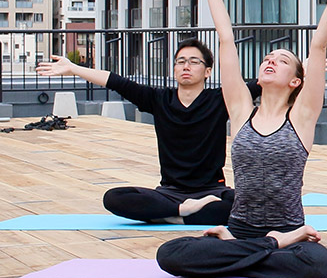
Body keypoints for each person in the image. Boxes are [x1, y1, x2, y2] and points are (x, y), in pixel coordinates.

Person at [155, 0, 327, 278]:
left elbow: (318, 44)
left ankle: (241, 255)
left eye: (282, 61)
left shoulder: (302, 117)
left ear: (296, 81)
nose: (270, 60)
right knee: (169, 254)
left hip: (288, 230)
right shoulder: (240, 111)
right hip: (245, 230)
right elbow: (226, 40)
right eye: (268, 58)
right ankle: (267, 249)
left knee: (318, 264)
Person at [36, 39, 261, 225]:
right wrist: (73, 68)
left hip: (212, 193)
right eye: (180, 62)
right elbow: (117, 82)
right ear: (174, 68)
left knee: (252, 204)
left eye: (194, 62)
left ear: (207, 71)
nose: (186, 66)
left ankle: (173, 217)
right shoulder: (159, 99)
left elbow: (264, 84)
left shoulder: (222, 100)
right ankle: (182, 210)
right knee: (114, 198)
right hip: (170, 193)